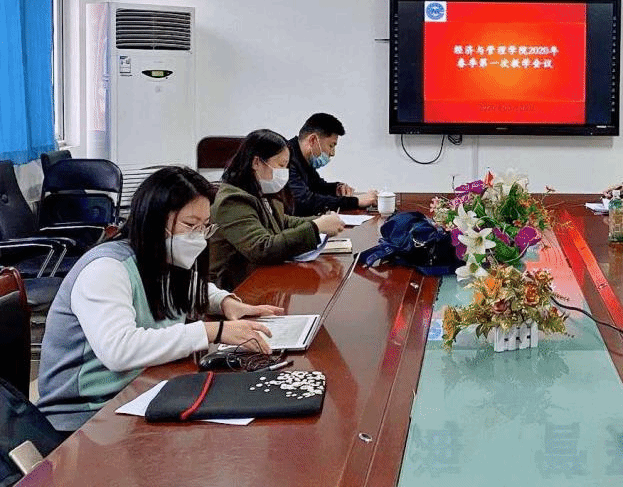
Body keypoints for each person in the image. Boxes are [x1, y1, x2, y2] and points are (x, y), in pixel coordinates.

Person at [36, 166, 283, 433]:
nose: (198, 237)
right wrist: (213, 331)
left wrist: (225, 302)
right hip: (85, 416)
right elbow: (119, 351)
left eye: (204, 226)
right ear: (154, 220)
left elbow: (193, 289)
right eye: (190, 225)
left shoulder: (162, 258)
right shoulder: (106, 268)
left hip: (142, 390)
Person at [209, 129, 345, 290]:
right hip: (236, 289)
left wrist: (320, 221)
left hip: (261, 281)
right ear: (256, 163)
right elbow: (261, 248)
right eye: (281, 165)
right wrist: (315, 228)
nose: (284, 172)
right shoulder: (232, 201)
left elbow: (282, 221)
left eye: (286, 166)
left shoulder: (262, 191)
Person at [287, 112, 377, 215]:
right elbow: (305, 201)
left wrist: (336, 189)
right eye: (331, 146)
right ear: (312, 140)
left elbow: (317, 187)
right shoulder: (286, 158)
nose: (332, 153)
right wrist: (355, 201)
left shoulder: (302, 157)